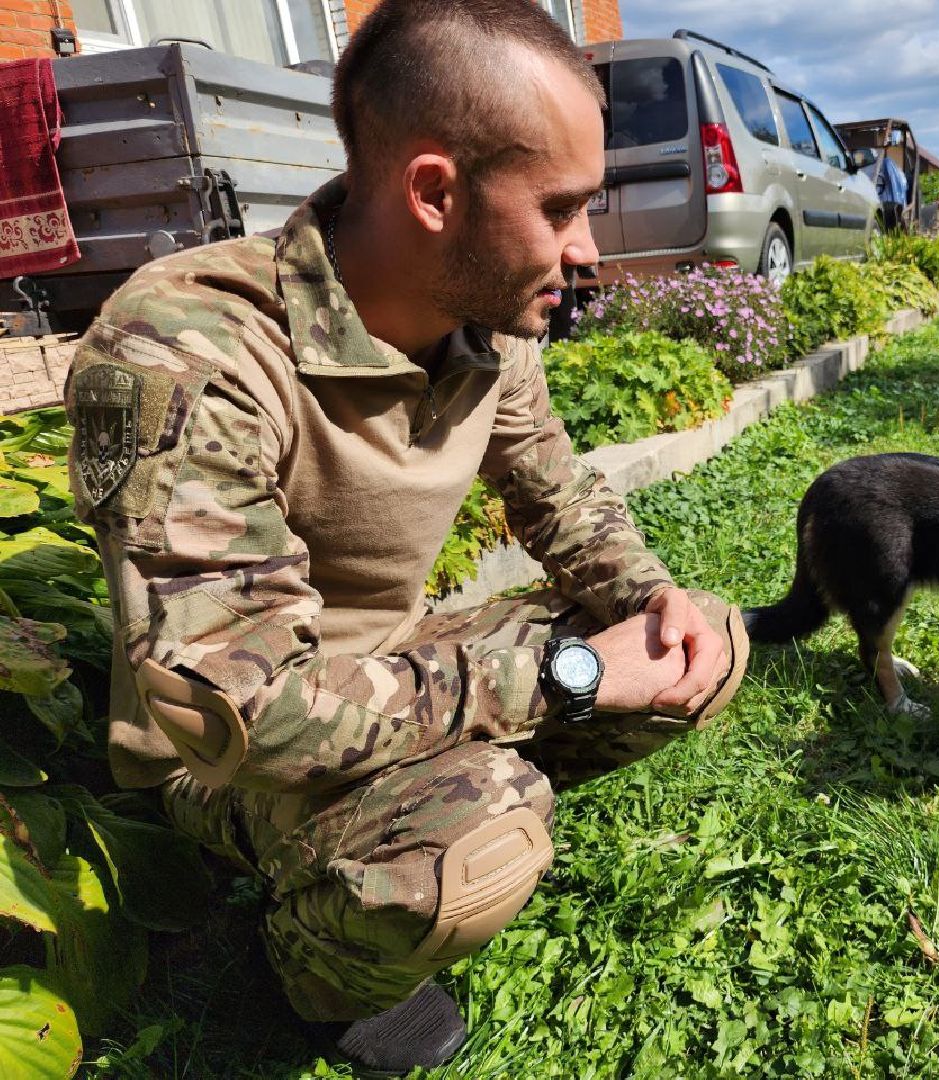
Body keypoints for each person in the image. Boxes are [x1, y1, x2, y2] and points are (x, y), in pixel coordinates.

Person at [64, 0, 748, 1073]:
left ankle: (405, 826)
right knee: (470, 841)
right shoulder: (188, 350)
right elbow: (245, 711)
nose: (587, 249)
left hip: (393, 669)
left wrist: (649, 601)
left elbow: (562, 502)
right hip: (226, 753)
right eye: (562, 208)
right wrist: (565, 674)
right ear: (435, 192)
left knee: (704, 639)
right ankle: (316, 958)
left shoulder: (482, 323)